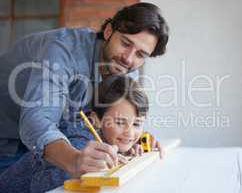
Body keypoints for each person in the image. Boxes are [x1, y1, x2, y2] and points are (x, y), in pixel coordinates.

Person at [0, 2, 169, 176]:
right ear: (109, 31)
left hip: (52, 145)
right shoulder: (62, 49)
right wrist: (74, 160)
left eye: (140, 54)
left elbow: (112, 119)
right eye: (126, 43)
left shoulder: (125, 68)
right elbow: (37, 121)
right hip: (7, 143)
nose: (128, 58)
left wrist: (131, 138)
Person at [0, 74, 159, 192]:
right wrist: (96, 168)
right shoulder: (80, 143)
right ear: (96, 120)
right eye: (119, 122)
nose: (130, 133)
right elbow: (39, 184)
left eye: (137, 123)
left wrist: (127, 152)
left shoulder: (113, 137)